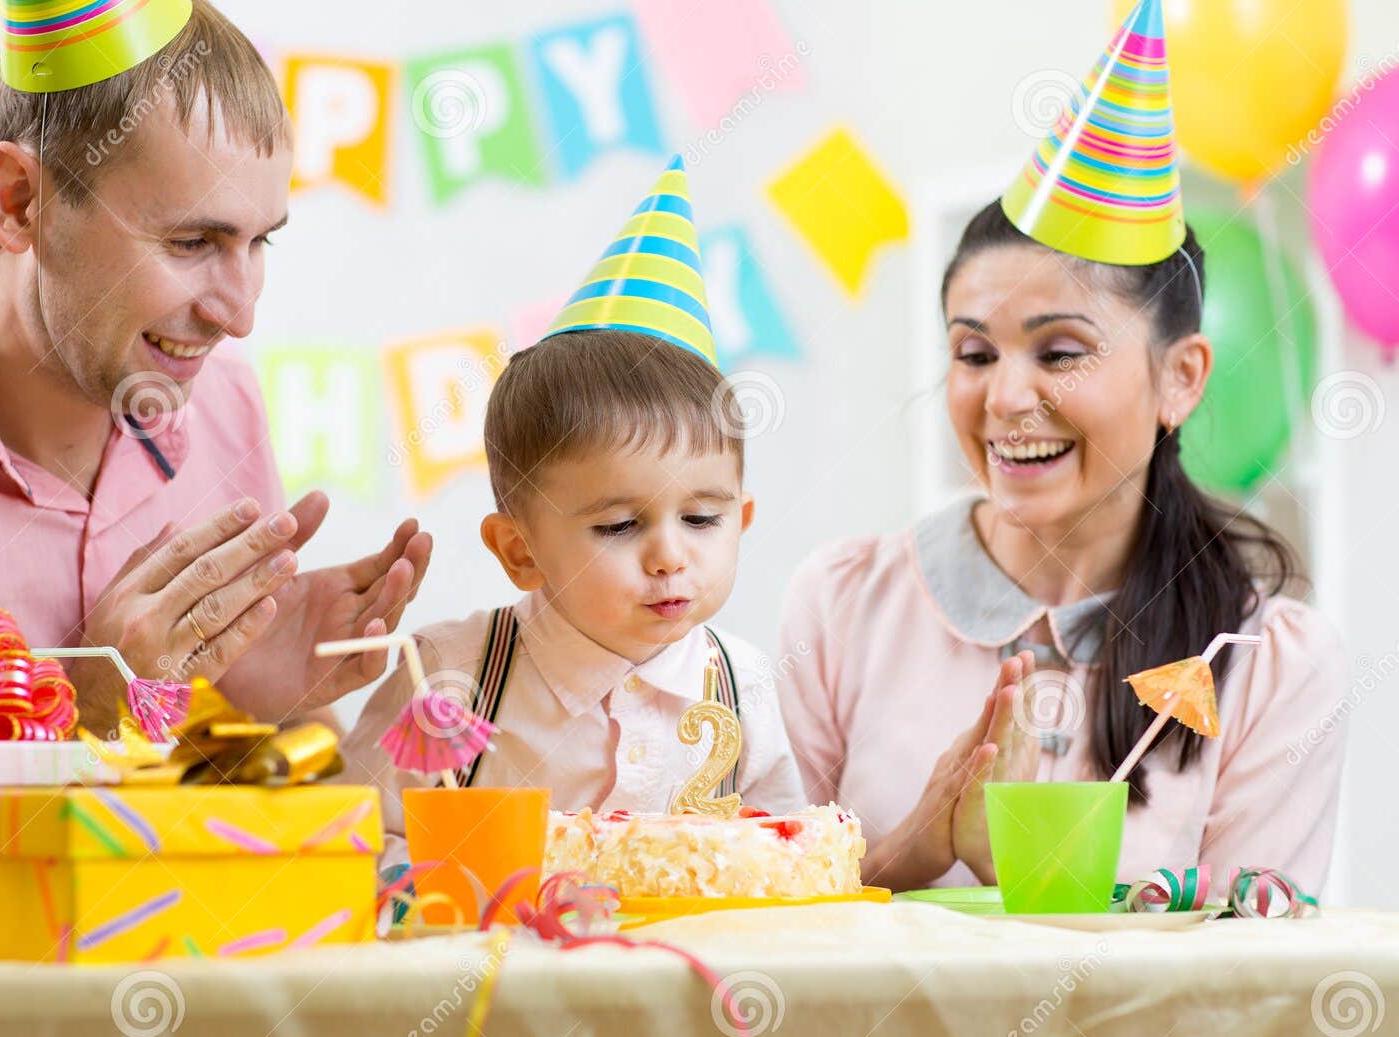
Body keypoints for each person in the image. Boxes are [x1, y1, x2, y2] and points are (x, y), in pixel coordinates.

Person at [777, 0, 1346, 894]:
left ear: (1181, 379)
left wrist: (1044, 894)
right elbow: (760, 945)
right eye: (974, 353)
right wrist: (905, 856)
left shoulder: (1268, 664)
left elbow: (1248, 997)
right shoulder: (843, 608)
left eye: (1060, 352)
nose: (1005, 397)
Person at [0, 1, 429, 739]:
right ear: (18, 202)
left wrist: (264, 708)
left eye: (260, 244)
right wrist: (83, 708)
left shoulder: (221, 404)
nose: (239, 317)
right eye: (193, 241)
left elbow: (265, 826)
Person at [341, 160, 808, 857]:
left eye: (702, 519)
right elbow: (358, 844)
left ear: (740, 521)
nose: (670, 556)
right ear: (520, 551)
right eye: (620, 526)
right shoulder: (451, 678)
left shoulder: (744, 684)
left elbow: (786, 853)